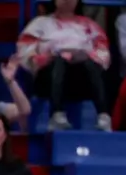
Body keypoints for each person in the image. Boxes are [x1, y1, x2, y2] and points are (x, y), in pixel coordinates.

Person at [15, 0, 113, 132]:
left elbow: (103, 51)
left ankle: (104, 116)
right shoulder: (40, 23)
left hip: (81, 78)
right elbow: (25, 49)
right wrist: (46, 58)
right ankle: (57, 115)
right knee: (60, 61)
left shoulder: (90, 25)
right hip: (48, 77)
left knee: (92, 64)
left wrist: (84, 56)